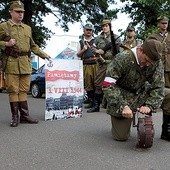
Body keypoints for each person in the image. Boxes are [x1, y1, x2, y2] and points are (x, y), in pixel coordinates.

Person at [102, 39, 164, 142]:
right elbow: (108, 85)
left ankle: (167, 130)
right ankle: (126, 116)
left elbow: (158, 86)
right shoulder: (122, 58)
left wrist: (149, 105)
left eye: (151, 63)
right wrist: (123, 106)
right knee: (121, 137)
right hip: (123, 96)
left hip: (142, 93)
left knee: (169, 95)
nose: (148, 65)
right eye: (147, 60)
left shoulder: (156, 61)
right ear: (140, 50)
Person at [0, 1, 50, 127]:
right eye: (17, 11)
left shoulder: (27, 28)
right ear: (11, 12)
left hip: (25, 63)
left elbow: (33, 46)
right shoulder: (4, 26)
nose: (20, 14)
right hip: (11, 62)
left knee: (23, 90)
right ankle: (15, 116)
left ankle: (25, 116)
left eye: (22, 12)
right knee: (13, 90)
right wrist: (6, 44)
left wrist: (45, 55)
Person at [87, 19, 121, 113]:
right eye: (103, 26)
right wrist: (97, 52)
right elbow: (93, 48)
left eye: (106, 26)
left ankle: (115, 105)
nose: (105, 27)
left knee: (114, 83)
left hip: (113, 63)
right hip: (102, 63)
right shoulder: (98, 38)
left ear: (110, 26)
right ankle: (96, 105)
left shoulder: (116, 37)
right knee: (98, 84)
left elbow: (120, 51)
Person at [148, 16, 170, 141]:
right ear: (158, 24)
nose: (164, 25)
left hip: (169, 69)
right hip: (158, 70)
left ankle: (166, 129)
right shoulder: (153, 36)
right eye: (162, 23)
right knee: (158, 92)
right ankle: (148, 127)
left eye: (166, 23)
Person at [77, 23, 98, 108]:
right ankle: (91, 101)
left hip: (96, 64)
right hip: (86, 64)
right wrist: (83, 49)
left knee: (97, 83)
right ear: (84, 30)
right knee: (88, 84)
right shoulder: (80, 42)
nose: (89, 31)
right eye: (87, 30)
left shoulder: (96, 40)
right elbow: (78, 55)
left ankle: (97, 103)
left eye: (90, 30)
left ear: (92, 31)